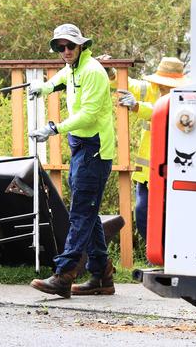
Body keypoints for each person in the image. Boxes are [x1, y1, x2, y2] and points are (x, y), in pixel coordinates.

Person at [27, 23, 116, 298]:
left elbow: (89, 115)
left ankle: (64, 275)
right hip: (80, 145)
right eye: (60, 47)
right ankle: (102, 275)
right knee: (87, 211)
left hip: (95, 149)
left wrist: (54, 128)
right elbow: (62, 78)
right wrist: (44, 88)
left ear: (81, 46)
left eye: (69, 46)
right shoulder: (75, 67)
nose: (65, 51)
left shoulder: (92, 72)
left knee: (80, 212)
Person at [102, 56, 187, 243]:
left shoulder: (184, 98)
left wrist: (137, 106)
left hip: (174, 170)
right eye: (163, 84)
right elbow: (126, 84)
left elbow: (161, 112)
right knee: (142, 214)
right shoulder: (152, 89)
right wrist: (110, 71)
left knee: (170, 216)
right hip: (148, 173)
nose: (164, 88)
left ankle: (167, 254)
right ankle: (155, 252)